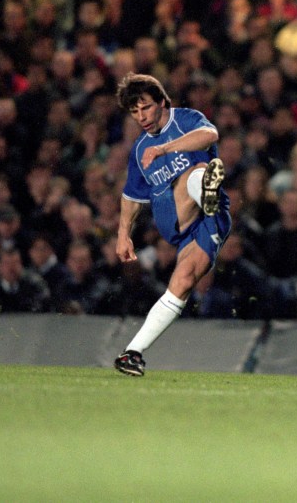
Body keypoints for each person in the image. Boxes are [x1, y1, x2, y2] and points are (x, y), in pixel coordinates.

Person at [112, 74, 230, 377]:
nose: (142, 117)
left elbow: (211, 135)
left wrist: (164, 149)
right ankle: (204, 191)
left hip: (211, 219)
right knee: (201, 169)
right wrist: (123, 234)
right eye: (135, 112)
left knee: (183, 282)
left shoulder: (186, 119)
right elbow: (131, 196)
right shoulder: (140, 150)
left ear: (163, 101)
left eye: (146, 108)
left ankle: (131, 353)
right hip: (171, 213)